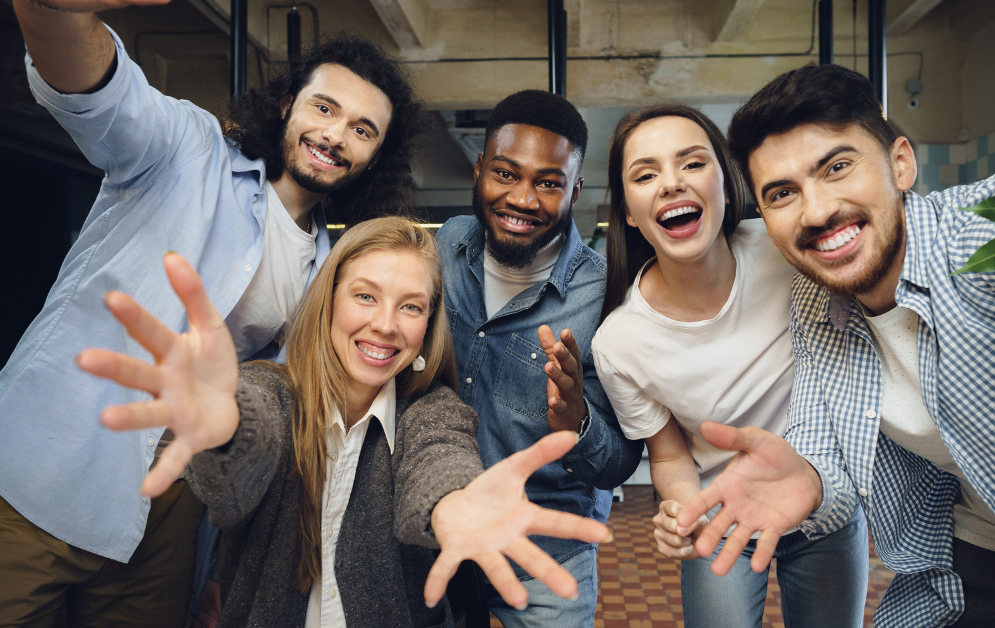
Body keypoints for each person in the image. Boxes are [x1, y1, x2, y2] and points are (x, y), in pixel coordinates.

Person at [0, 0, 430, 624]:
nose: (336, 135)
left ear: (376, 156)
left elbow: (268, 419)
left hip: (169, 516)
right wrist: (55, 13)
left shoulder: (331, 269)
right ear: (287, 105)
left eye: (364, 130)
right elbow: (98, 92)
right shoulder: (187, 150)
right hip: (40, 476)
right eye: (325, 107)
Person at [676, 63, 995, 627]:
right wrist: (812, 479)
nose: (817, 211)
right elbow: (822, 440)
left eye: (838, 167)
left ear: (900, 164)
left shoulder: (986, 230)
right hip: (968, 568)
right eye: (782, 193)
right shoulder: (814, 298)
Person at [75, 216, 613, 627]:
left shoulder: (434, 412)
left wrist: (456, 508)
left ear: (428, 328)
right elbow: (243, 455)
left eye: (410, 307)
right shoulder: (272, 390)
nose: (384, 325)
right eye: (364, 296)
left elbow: (440, 463)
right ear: (329, 300)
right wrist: (224, 426)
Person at [590, 103, 869, 627]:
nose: (671, 183)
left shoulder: (787, 250)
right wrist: (685, 511)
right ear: (628, 210)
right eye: (646, 174)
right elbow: (670, 458)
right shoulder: (619, 342)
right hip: (725, 513)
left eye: (692, 163)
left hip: (823, 498)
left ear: (726, 183)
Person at [436, 90, 644, 627]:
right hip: (439, 537)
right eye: (505, 174)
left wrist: (579, 421)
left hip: (547, 553)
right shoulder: (445, 250)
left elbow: (618, 464)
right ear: (480, 168)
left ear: (575, 190)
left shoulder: (607, 293)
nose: (523, 199)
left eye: (548, 183)